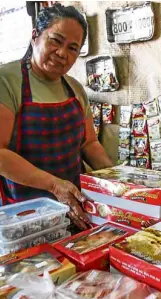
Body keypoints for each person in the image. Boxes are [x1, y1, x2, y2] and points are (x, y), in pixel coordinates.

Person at [0, 3, 113, 230]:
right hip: (24, 214)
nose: (62, 53)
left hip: (73, 206)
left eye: (73, 48)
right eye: (55, 40)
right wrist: (54, 186)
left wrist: (115, 179)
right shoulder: (7, 80)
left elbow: (89, 143)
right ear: (35, 37)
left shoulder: (75, 88)